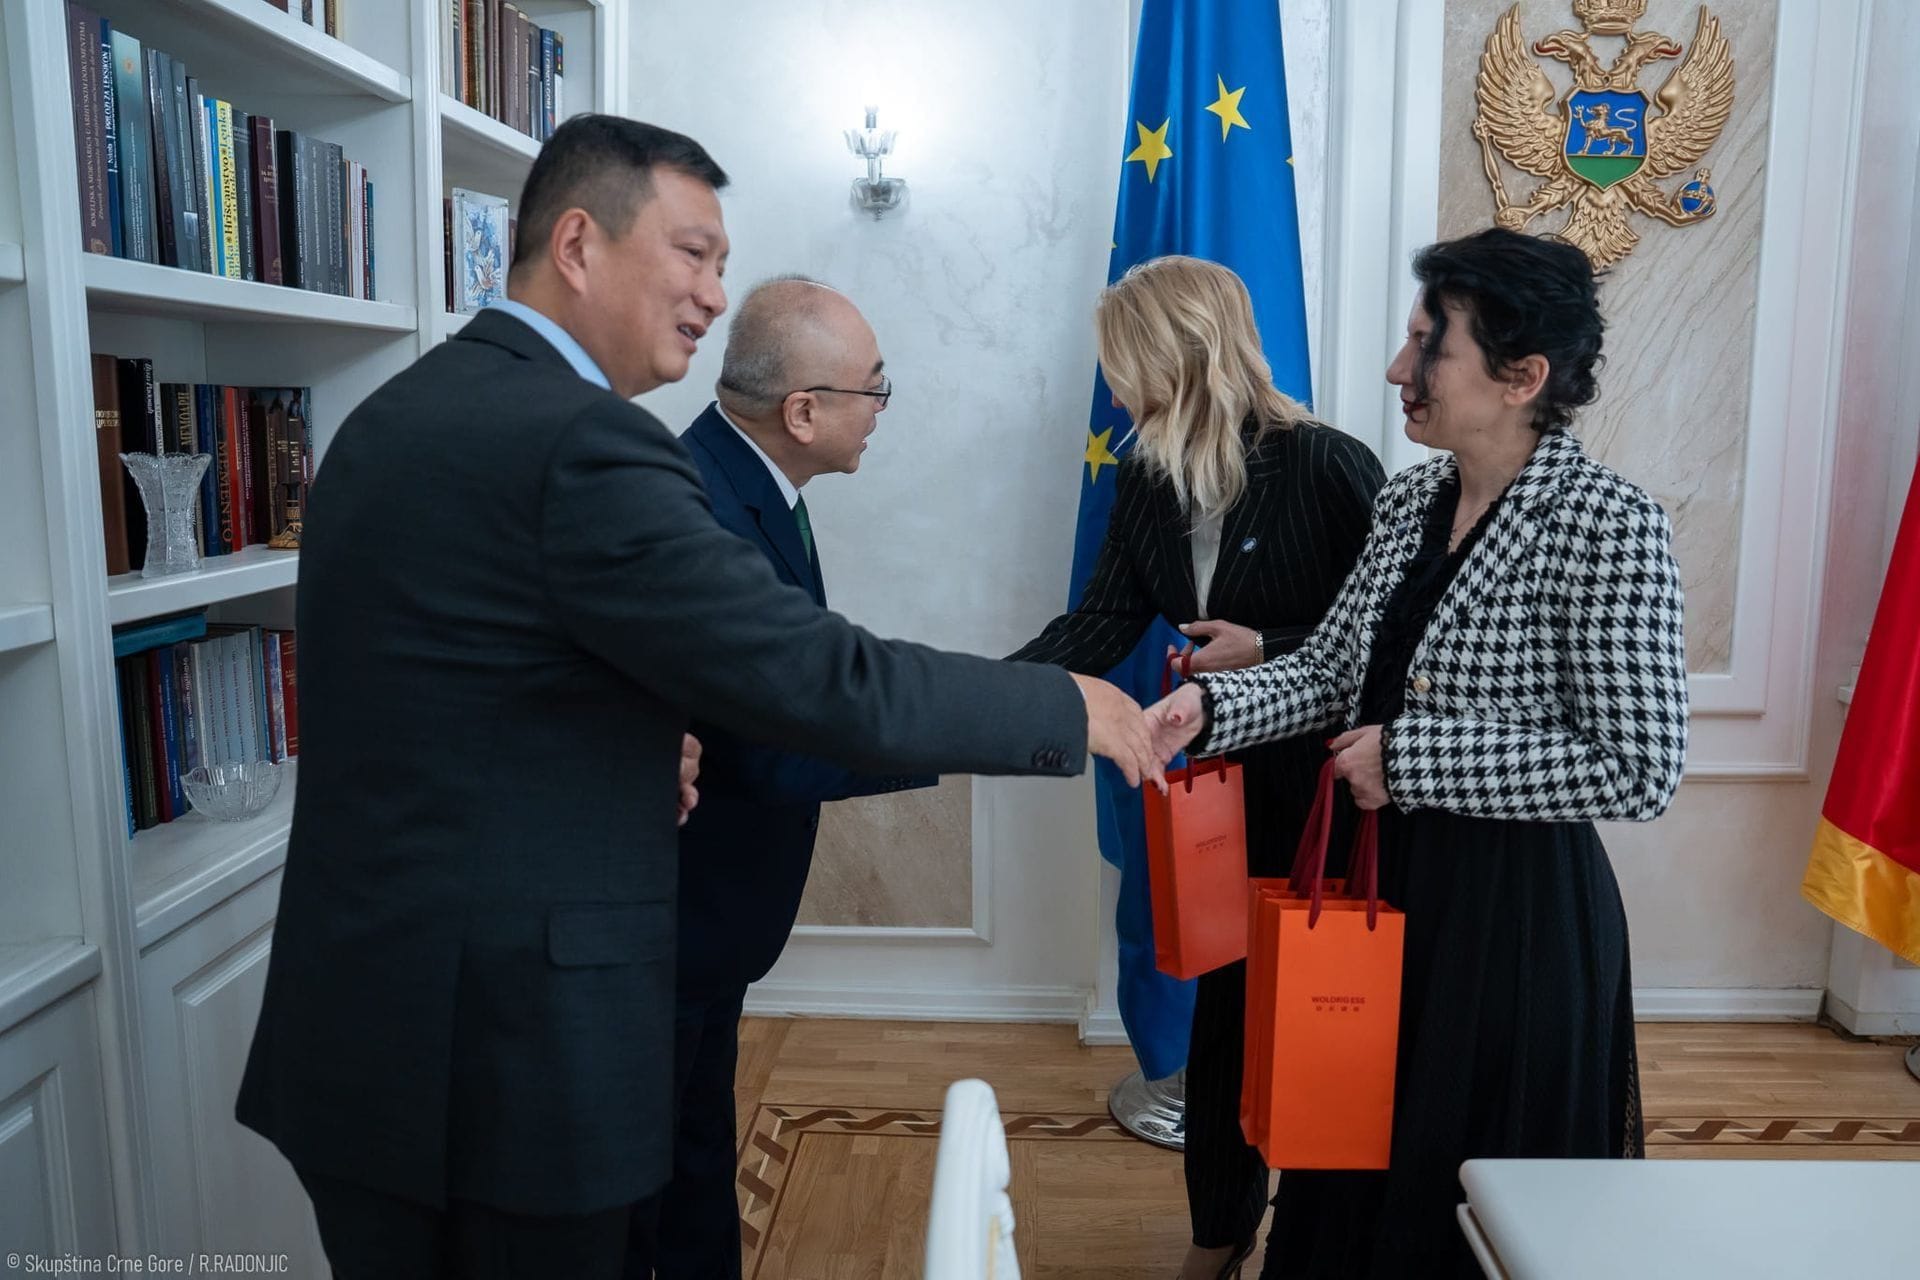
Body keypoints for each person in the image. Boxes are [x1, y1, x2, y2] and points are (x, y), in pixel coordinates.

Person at [234, 115, 1162, 1280]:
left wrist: (636, 736)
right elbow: (816, 675)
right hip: (504, 1067)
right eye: (693, 254)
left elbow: (464, 698)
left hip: (369, 1032)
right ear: (579, 244)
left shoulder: (393, 413)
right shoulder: (581, 444)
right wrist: (1064, 703)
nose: (718, 297)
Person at [1147, 227, 1689, 1278]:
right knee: (1354, 1148)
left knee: (1466, 1193)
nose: (1400, 369)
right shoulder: (1406, 499)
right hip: (1384, 887)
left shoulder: (1610, 524)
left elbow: (1639, 765)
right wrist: (1205, 711)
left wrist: (1411, 760)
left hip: (1511, 926)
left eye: (1428, 346)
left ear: (1522, 377)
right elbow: (1330, 674)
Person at [1006, 255, 1384, 1280]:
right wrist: (976, 694)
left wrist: (1271, 646)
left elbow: (1396, 637)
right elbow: (1101, 622)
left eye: (1121, 360)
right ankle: (1220, 1232)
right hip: (1218, 801)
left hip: (1333, 800)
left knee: (1326, 1032)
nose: (1113, 385)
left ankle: (1319, 1240)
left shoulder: (1329, 464)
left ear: (1175, 355)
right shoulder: (1146, 477)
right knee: (1225, 1026)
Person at [639, 276, 936, 1278]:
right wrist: (958, 730)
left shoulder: (750, 482)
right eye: (874, 385)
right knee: (654, 1173)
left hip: (713, 914)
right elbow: (771, 738)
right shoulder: (707, 512)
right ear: (803, 411)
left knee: (693, 1146)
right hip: (677, 911)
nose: (883, 406)